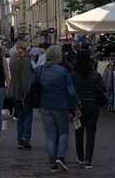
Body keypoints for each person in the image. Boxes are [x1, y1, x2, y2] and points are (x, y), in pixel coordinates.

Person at [34, 45, 78, 173]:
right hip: (61, 106)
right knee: (63, 132)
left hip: (45, 106)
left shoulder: (40, 70)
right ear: (58, 57)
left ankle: (52, 163)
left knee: (50, 135)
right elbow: (71, 92)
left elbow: (33, 86)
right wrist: (75, 106)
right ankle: (60, 157)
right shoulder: (63, 71)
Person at [73, 50, 106, 169]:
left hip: (78, 107)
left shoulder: (74, 74)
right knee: (91, 134)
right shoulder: (95, 74)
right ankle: (88, 160)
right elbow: (103, 88)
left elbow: (71, 90)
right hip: (93, 106)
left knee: (78, 132)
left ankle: (80, 157)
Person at [9, 41, 34, 149]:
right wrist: (26, 93)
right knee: (28, 116)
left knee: (20, 117)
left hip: (15, 91)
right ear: (25, 49)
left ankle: (19, 140)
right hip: (24, 92)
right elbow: (25, 79)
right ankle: (25, 137)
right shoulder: (26, 61)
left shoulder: (13, 60)